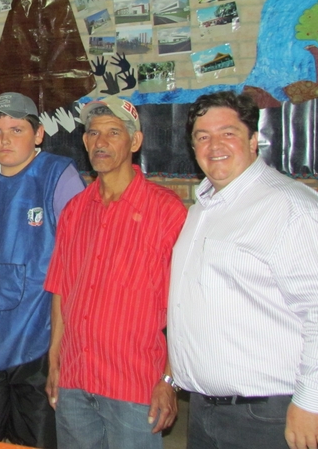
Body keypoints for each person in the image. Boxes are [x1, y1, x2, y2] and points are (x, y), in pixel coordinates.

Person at [168, 91, 318, 449]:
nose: (214, 145)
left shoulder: (289, 207)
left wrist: (311, 402)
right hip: (204, 411)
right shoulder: (202, 209)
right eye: (202, 136)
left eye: (228, 133)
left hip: (267, 415)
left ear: (253, 140)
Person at [44, 96, 187, 449]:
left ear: (135, 141)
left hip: (134, 386)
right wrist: (54, 361)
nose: (101, 142)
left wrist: (170, 379)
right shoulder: (75, 210)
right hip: (75, 379)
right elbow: (61, 289)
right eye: (93, 133)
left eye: (113, 132)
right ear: (84, 141)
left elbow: (185, 306)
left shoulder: (165, 211)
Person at [0, 92, 84, 447]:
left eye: (16, 130)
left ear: (38, 134)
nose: (5, 140)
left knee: (36, 438)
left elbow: (79, 259)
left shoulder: (58, 175)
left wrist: (65, 341)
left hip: (37, 337)